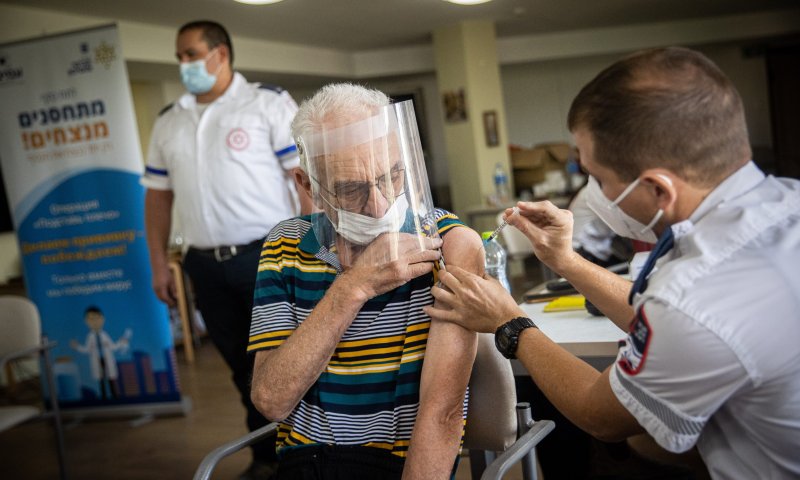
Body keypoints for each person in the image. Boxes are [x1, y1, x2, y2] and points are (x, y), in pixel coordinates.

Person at [425, 47, 800, 479]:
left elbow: (601, 414)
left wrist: (508, 322)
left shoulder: (699, 295)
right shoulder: (781, 204)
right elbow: (663, 318)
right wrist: (565, 259)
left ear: (658, 188)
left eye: (599, 179)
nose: (594, 192)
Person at [247, 83, 482, 479]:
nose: (379, 205)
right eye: (351, 189)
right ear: (308, 186)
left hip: (397, 467)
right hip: (305, 465)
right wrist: (354, 287)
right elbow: (271, 400)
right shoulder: (284, 244)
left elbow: (441, 417)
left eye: (391, 175)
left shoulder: (451, 244)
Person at [141, 20, 311, 479]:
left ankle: (304, 454)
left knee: (286, 360)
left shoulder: (266, 103)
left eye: (191, 54)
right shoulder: (169, 119)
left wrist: (316, 246)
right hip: (203, 265)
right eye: (179, 57)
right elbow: (157, 197)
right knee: (242, 369)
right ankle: (266, 457)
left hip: (267, 258)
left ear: (220, 54)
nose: (184, 65)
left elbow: (304, 183)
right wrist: (159, 263)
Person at [70, 306, 131, 400]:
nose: (94, 321)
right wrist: (77, 346)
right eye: (90, 319)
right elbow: (87, 349)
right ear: (86, 321)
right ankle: (104, 397)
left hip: (106, 359)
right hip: (97, 359)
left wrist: (121, 342)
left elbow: (112, 347)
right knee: (101, 380)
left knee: (111, 379)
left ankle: (115, 396)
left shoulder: (104, 335)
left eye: (97, 318)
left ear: (102, 319)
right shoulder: (90, 336)